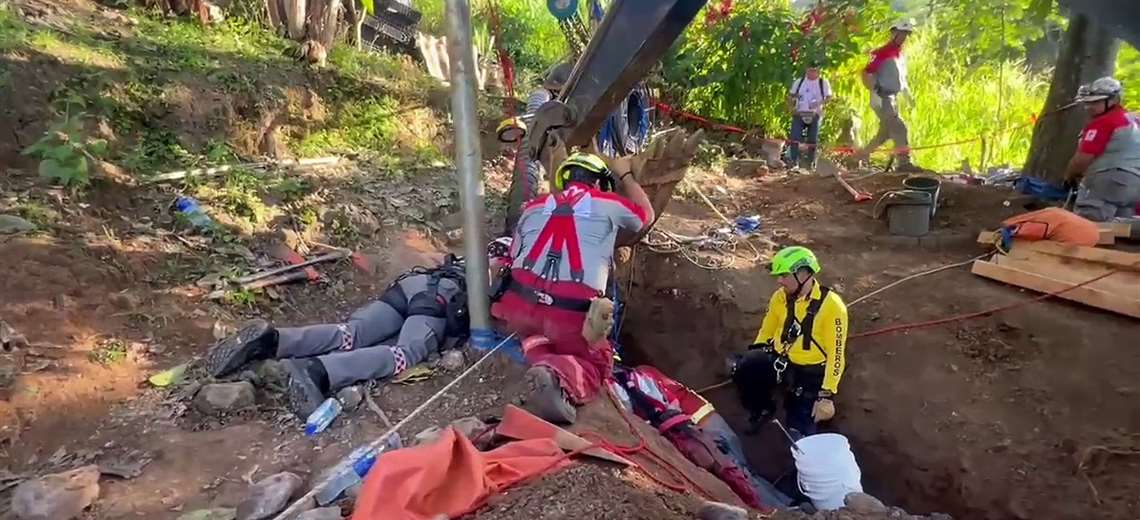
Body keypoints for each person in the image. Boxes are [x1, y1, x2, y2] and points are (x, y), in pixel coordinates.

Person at [492, 152, 653, 424]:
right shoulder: (609, 203)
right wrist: (625, 174)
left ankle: (538, 353)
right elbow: (645, 216)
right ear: (600, 183)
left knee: (534, 331)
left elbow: (515, 253)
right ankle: (558, 374)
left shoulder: (533, 206)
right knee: (598, 364)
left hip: (516, 310)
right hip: (569, 319)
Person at [205, 255, 473, 418]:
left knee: (350, 333)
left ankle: (272, 340)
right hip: (437, 297)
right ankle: (319, 370)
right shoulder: (499, 263)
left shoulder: (470, 256)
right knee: (406, 353)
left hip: (409, 286)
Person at [613, 365, 794, 510]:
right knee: (746, 471)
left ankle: (781, 511)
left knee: (740, 476)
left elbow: (667, 410)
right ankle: (788, 504)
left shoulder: (629, 383)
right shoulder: (645, 372)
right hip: (709, 420)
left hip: (702, 432)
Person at [731, 246, 847, 437]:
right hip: (781, 359)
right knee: (745, 368)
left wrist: (826, 395)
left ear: (803, 274)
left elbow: (836, 354)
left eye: (784, 275)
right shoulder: (780, 297)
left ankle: (803, 459)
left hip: (810, 371)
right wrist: (755, 358)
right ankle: (762, 409)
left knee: (799, 424)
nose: (779, 281)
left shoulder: (832, 307)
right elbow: (767, 329)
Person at [1065, 77, 1140, 222]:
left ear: (1114, 100)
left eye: (1096, 102)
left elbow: (1083, 159)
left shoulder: (1103, 123)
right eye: (1088, 102)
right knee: (1120, 230)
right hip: (1134, 185)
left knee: (1088, 224)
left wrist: (1069, 175)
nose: (1089, 107)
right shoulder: (1132, 120)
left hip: (1107, 181)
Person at [855, 19, 921, 171]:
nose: (903, 37)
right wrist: (874, 91)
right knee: (899, 128)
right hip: (882, 97)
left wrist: (907, 95)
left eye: (906, 34)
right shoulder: (881, 52)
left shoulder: (899, 54)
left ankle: (858, 157)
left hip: (893, 98)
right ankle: (904, 163)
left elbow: (900, 79)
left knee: (884, 133)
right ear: (893, 33)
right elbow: (866, 73)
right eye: (901, 33)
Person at [786, 62, 832, 170]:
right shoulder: (799, 82)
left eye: (814, 71)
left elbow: (829, 97)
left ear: (818, 71)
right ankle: (794, 162)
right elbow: (791, 95)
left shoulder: (823, 82)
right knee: (795, 137)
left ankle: (810, 163)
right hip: (799, 113)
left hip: (815, 114)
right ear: (806, 70)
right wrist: (791, 108)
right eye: (810, 70)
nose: (812, 73)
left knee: (813, 139)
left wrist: (819, 103)